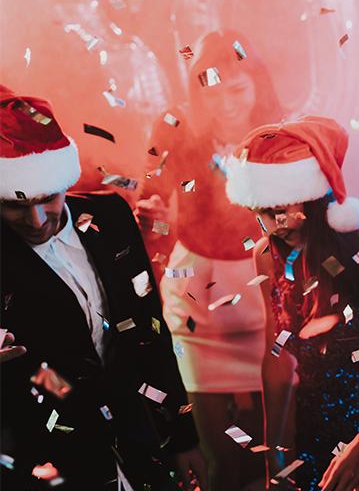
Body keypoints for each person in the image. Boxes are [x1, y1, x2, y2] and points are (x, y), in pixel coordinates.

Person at [0, 86, 206, 490]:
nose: (37, 218)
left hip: (137, 441)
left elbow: (151, 331)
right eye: (15, 204)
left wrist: (184, 437)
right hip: (43, 464)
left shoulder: (110, 217)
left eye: (47, 197)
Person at [134, 30, 285, 490]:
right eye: (211, 92)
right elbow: (149, 209)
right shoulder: (173, 128)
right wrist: (155, 220)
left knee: (271, 456)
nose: (225, 104)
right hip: (196, 292)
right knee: (213, 459)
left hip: (265, 291)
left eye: (236, 89)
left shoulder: (280, 134)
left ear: (257, 85)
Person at [225, 117, 359, 490]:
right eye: (261, 211)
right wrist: (276, 462)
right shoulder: (266, 257)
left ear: (312, 192)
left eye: (279, 209)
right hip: (313, 433)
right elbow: (278, 361)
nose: (272, 224)